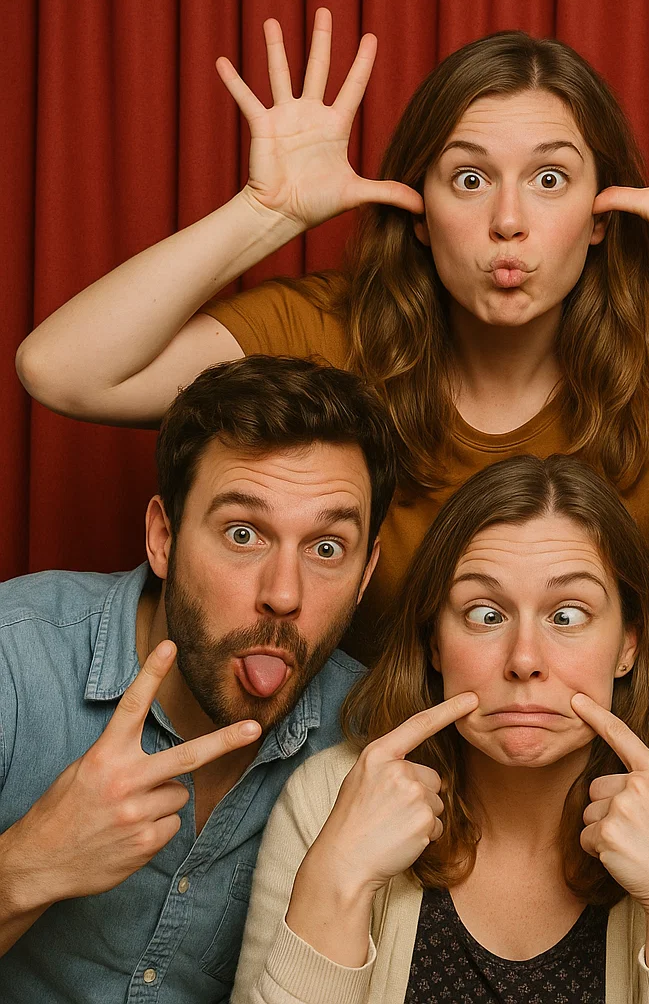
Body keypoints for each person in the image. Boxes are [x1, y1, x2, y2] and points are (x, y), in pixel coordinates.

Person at [15, 10, 649, 663]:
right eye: (469, 179)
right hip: (363, 780)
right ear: (419, 208)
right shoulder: (328, 330)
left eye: (550, 180)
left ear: (601, 214)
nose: (508, 222)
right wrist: (262, 212)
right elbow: (64, 371)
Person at [231, 455, 649, 1004]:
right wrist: (337, 882)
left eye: (567, 615)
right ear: (434, 642)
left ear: (628, 644)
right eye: (485, 614)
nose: (524, 660)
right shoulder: (328, 798)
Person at [0, 355, 397, 1002]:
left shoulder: (371, 741)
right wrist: (28, 867)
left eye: (327, 548)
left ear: (366, 575)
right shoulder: (14, 658)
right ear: (163, 537)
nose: (284, 595)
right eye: (243, 534)